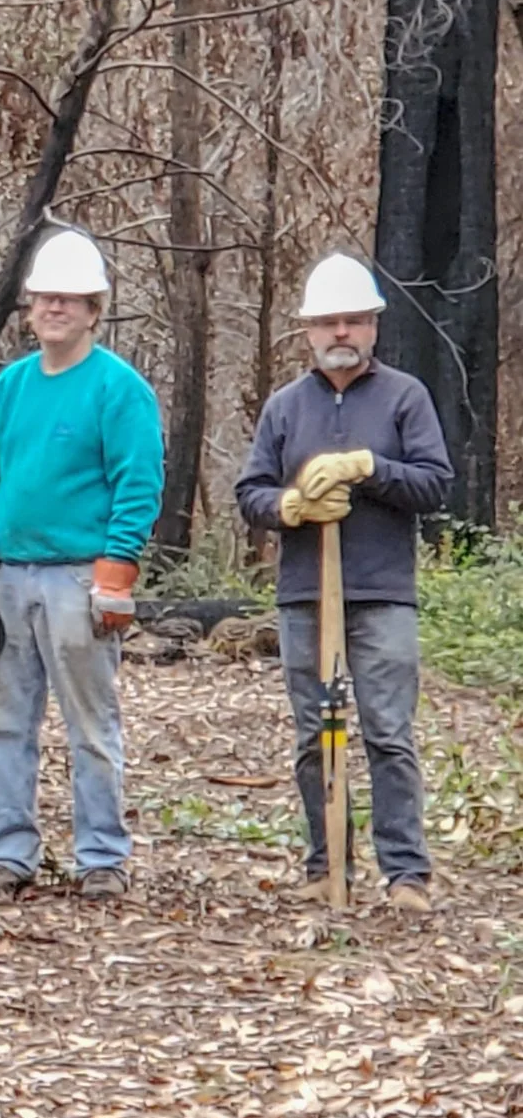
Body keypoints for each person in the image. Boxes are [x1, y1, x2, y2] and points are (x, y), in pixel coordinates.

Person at [235, 254, 452, 912]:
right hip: (306, 595)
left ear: (373, 326)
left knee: (388, 732)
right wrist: (289, 506)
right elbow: (251, 492)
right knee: (315, 735)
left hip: (382, 594)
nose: (341, 332)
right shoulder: (285, 407)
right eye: (328, 321)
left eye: (354, 320)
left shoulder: (405, 398)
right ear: (308, 330)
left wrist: (369, 468)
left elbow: (434, 484)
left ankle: (406, 873)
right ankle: (326, 865)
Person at [0, 225, 164, 901]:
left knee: (90, 726)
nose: (53, 308)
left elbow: (138, 483)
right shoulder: (12, 386)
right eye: (45, 297)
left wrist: (118, 567)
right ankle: (8, 854)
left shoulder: (118, 389)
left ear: (94, 310)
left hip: (79, 577)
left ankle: (101, 857)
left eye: (69, 299)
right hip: (6, 577)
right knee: (2, 722)